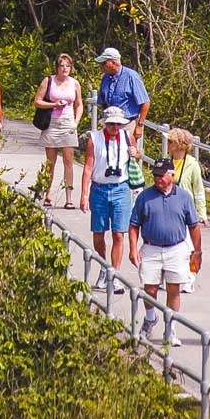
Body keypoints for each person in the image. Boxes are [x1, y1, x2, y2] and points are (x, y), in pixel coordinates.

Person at [128, 158, 201, 346]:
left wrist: (197, 251)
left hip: (176, 248)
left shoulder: (184, 197)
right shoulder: (145, 196)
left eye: (161, 175)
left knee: (173, 289)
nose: (158, 179)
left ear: (172, 175)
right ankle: (150, 318)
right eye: (155, 175)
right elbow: (134, 224)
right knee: (149, 288)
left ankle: (171, 328)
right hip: (151, 248)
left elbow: (194, 226)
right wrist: (133, 248)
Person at [80, 106, 133, 294]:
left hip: (121, 188)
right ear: (105, 124)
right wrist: (84, 195)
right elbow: (88, 167)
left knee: (119, 234)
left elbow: (135, 159)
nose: (115, 128)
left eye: (118, 124)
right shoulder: (94, 139)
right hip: (100, 188)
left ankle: (114, 274)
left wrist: (137, 154)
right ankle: (104, 267)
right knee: (99, 233)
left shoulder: (127, 137)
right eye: (111, 124)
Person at [33, 54, 83, 209]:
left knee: (69, 161)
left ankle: (69, 198)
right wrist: (54, 105)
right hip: (52, 124)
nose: (65, 68)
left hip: (68, 124)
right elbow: (37, 101)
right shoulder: (48, 81)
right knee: (51, 162)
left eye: (68, 66)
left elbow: (79, 105)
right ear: (57, 67)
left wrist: (76, 122)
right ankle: (48, 194)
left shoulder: (75, 83)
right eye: (62, 65)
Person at [166, 128, 206, 294]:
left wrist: (201, 213)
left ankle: (190, 277)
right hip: (169, 209)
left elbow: (198, 189)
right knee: (171, 245)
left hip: (186, 210)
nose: (167, 145)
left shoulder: (192, 164)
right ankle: (171, 277)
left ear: (178, 145)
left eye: (170, 142)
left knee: (190, 247)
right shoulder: (167, 161)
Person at [93, 47, 150, 144]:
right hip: (109, 123)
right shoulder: (105, 78)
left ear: (114, 63)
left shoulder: (131, 76)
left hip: (127, 124)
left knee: (127, 154)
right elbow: (102, 100)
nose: (101, 66)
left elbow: (145, 102)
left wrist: (140, 125)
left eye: (104, 63)